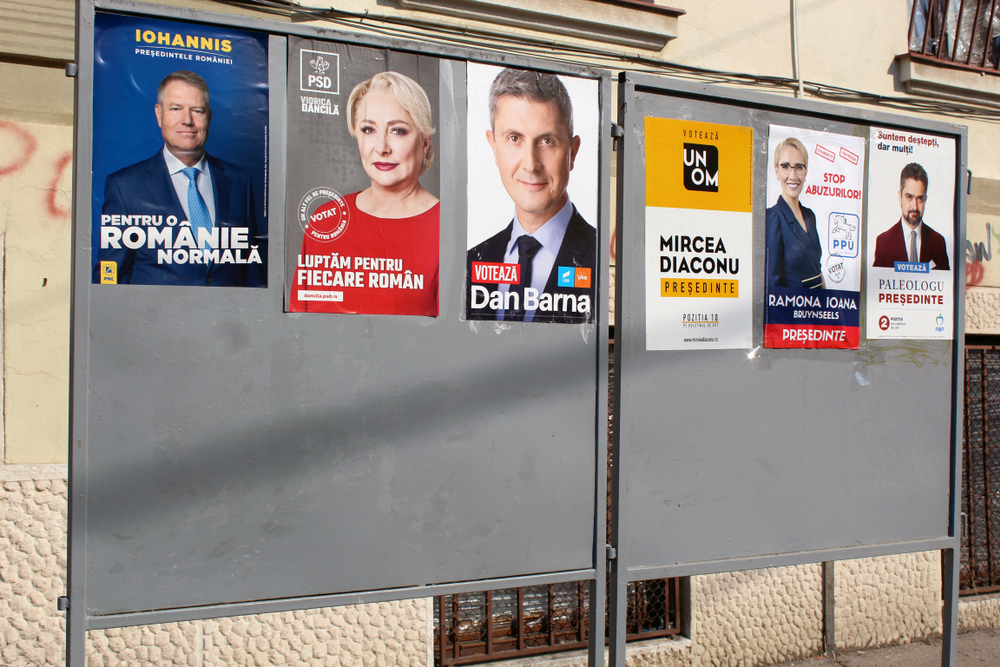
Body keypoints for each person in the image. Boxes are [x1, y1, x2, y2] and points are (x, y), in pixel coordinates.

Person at [289, 71, 439, 315]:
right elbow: (298, 331)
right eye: (369, 130)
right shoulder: (326, 220)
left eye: (398, 130)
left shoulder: (448, 229)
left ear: (424, 142)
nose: (381, 148)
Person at [96, 70, 265, 287]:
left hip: (228, 319)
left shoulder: (239, 181)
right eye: (176, 109)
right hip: (156, 319)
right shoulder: (125, 186)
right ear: (159, 114)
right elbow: (109, 275)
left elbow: (253, 272)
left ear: (209, 117)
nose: (187, 120)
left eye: (197, 110)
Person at [466, 68, 596, 324]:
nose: (530, 165)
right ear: (493, 147)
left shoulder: (602, 259)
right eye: (514, 138)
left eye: (546, 141)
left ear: (573, 151)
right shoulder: (470, 263)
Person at [765, 137, 824, 290]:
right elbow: (772, 285)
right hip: (793, 311)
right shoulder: (772, 218)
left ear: (805, 172)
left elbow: (817, 270)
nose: (793, 175)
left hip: (818, 308)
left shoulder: (810, 216)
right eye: (785, 166)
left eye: (799, 167)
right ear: (776, 171)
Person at [873, 162, 950, 270]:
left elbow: (945, 284)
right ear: (900, 197)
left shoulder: (938, 243)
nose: (915, 206)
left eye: (920, 199)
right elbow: (876, 285)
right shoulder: (884, 242)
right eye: (909, 197)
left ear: (925, 200)